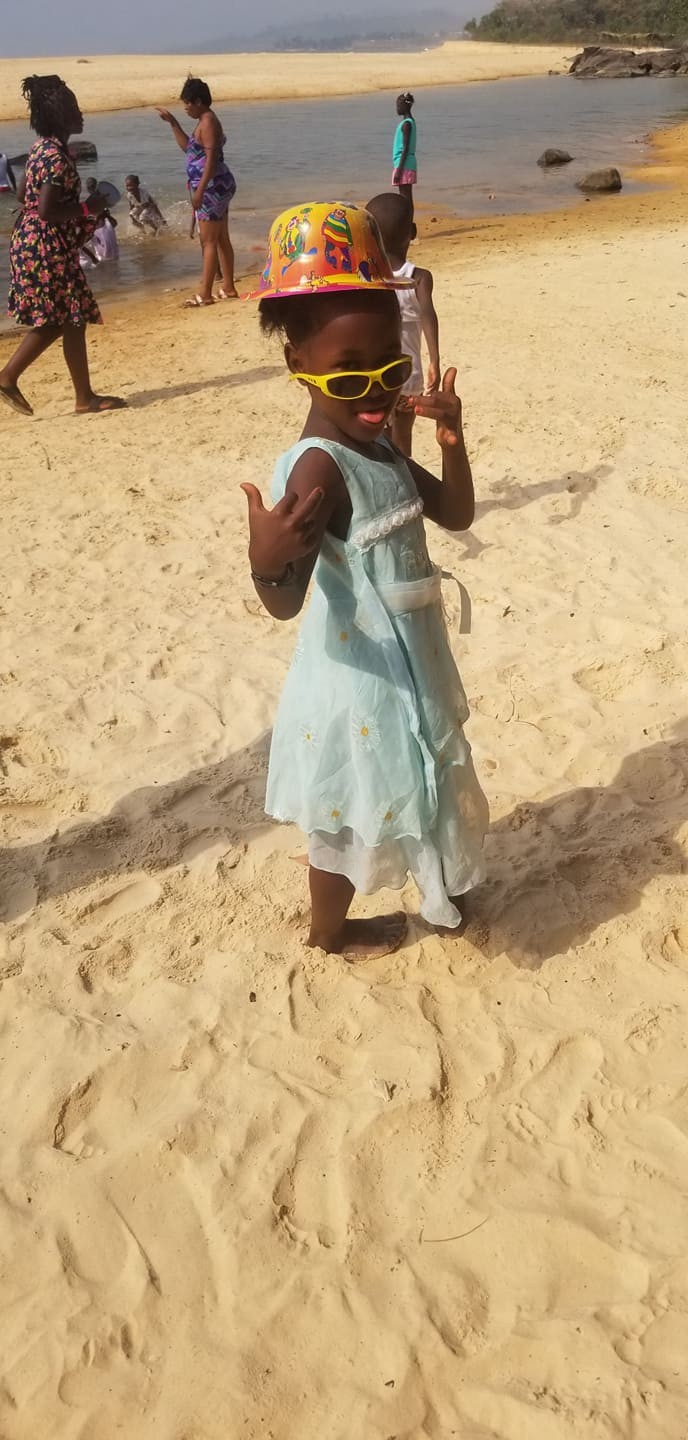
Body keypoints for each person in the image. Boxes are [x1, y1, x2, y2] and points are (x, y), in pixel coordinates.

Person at [241, 201, 487, 960]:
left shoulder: (376, 444)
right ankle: (328, 931)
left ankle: (442, 882)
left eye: (392, 367)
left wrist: (452, 439)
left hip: (414, 656)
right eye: (351, 375)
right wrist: (265, 559)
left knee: (426, 768)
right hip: (361, 675)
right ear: (297, 365)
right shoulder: (320, 466)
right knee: (350, 805)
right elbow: (285, 604)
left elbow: (455, 513)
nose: (378, 392)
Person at [0, 75, 125, 418]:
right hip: (46, 246)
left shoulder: (40, 148)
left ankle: (84, 398)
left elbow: (24, 195)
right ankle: (7, 377)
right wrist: (88, 208)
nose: (80, 114)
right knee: (57, 319)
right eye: (74, 109)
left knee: (73, 318)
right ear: (61, 116)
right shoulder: (56, 157)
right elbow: (46, 211)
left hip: (30, 240)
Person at [367, 191, 440, 457]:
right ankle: (405, 478)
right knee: (403, 440)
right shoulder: (418, 278)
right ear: (412, 233)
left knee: (379, 439)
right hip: (408, 375)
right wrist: (435, 360)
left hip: (375, 375)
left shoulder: (368, 279)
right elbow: (428, 315)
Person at [156, 77, 237, 307]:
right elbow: (189, 149)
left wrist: (199, 191)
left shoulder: (208, 121)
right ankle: (228, 287)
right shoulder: (204, 120)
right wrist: (172, 123)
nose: (186, 108)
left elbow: (211, 159)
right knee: (220, 238)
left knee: (208, 241)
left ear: (198, 101)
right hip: (216, 185)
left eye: (187, 104)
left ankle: (205, 293)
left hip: (212, 186)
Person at [392, 92, 418, 217]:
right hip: (407, 163)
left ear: (404, 106)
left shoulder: (406, 124)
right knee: (406, 197)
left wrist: (399, 170)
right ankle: (408, 223)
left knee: (405, 198)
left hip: (404, 164)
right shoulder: (410, 122)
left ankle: (408, 224)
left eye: (398, 106)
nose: (397, 108)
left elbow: (405, 148)